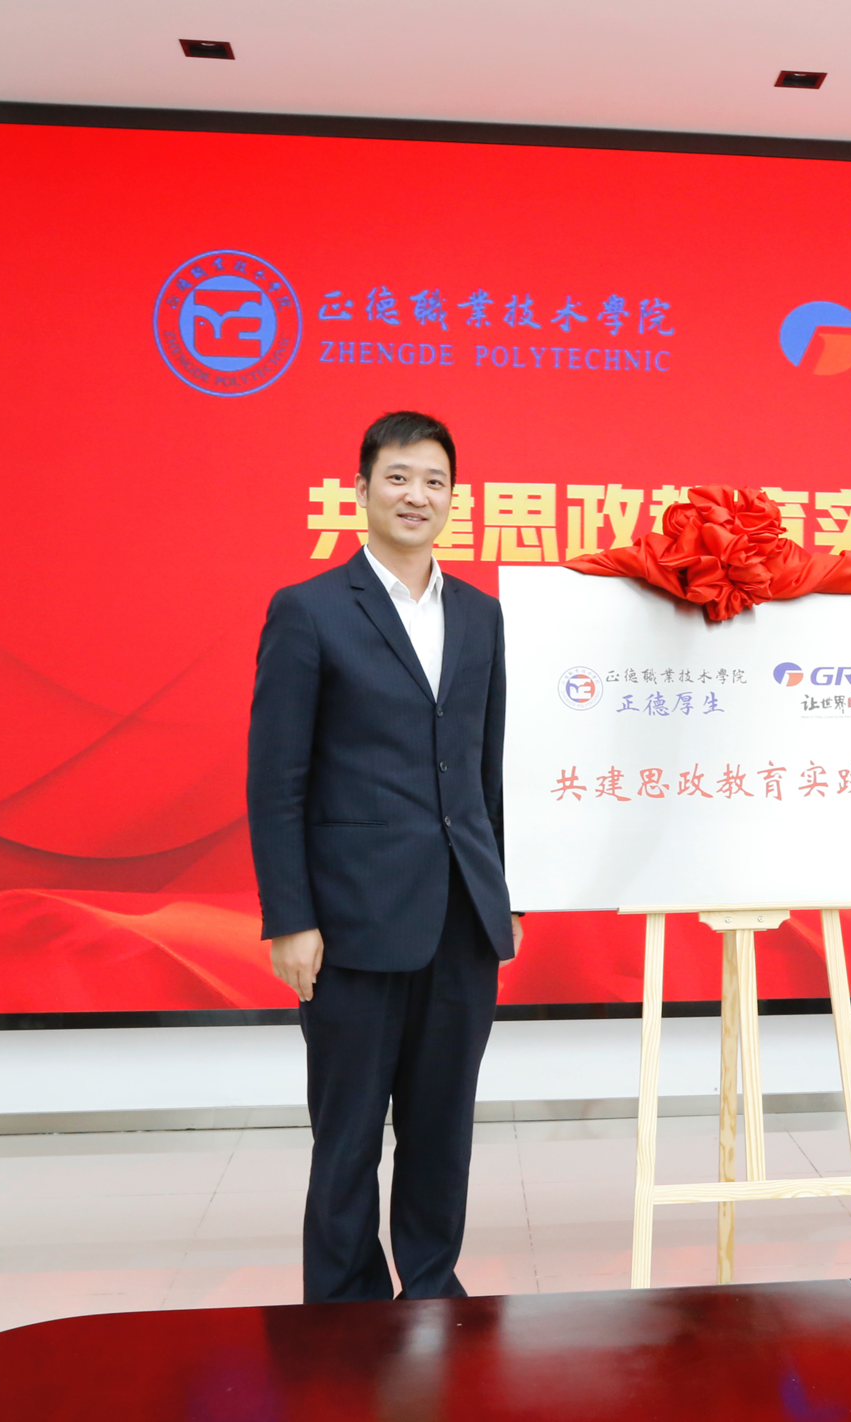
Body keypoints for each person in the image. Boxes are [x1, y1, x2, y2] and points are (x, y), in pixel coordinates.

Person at [247, 410, 522, 1302]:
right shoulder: (310, 610)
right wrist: (290, 918)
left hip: (461, 921)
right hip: (352, 924)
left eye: (435, 481)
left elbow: (487, 771)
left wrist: (502, 893)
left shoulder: (479, 616)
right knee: (349, 1136)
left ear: (453, 498)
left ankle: (432, 1289)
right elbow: (276, 781)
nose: (417, 495)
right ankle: (342, 1309)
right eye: (399, 477)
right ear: (361, 489)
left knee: (443, 1131)